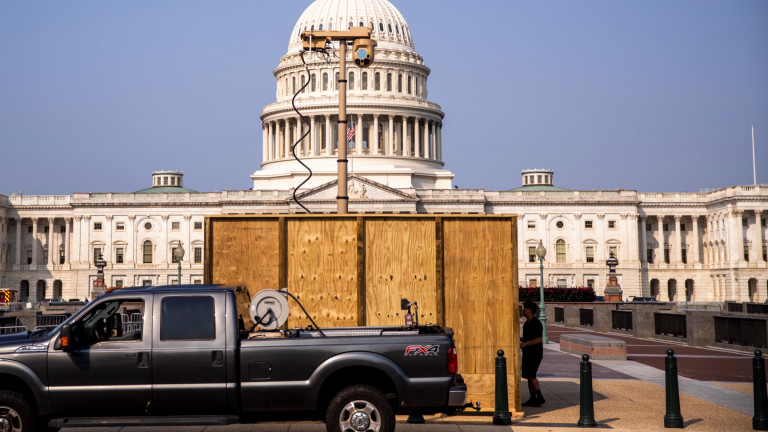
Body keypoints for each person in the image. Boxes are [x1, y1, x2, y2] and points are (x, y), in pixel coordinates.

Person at [521, 300, 545, 407]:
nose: (523, 311)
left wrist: (525, 343)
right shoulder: (526, 324)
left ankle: (539, 397)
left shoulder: (536, 323)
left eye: (524, 309)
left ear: (529, 310)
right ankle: (532, 397)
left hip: (535, 354)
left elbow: (539, 339)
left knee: (532, 375)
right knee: (528, 376)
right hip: (527, 353)